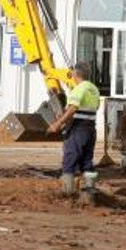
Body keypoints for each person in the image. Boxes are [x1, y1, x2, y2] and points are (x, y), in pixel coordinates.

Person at [47, 64, 101, 201]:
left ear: (75, 75)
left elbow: (72, 109)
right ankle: (89, 195)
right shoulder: (94, 89)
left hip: (78, 128)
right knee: (87, 161)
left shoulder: (79, 89)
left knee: (70, 158)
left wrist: (57, 124)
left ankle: (68, 193)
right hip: (90, 129)